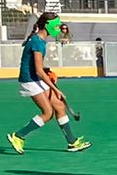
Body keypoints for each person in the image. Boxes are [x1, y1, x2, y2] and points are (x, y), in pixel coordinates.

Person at [7, 12, 90, 153]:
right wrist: (55, 89)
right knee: (47, 113)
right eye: (56, 25)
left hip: (36, 77)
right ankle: (18, 136)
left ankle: (72, 142)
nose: (58, 28)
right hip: (30, 80)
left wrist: (47, 71)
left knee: (59, 106)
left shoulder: (39, 40)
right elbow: (38, 70)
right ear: (47, 25)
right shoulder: (37, 42)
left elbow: (37, 66)